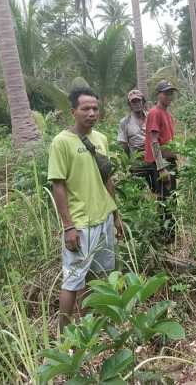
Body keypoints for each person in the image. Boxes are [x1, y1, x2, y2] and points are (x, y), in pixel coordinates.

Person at [48, 87, 123, 332]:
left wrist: (116, 215)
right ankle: (63, 337)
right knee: (72, 281)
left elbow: (107, 179)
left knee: (98, 276)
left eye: (95, 108)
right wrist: (68, 226)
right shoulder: (61, 142)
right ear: (73, 112)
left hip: (103, 220)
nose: (92, 113)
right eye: (85, 109)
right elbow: (58, 185)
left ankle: (89, 327)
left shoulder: (101, 139)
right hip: (80, 224)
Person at [144, 80, 178, 243]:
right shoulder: (155, 113)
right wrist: (161, 167)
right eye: (166, 93)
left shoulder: (167, 114)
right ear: (159, 95)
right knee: (164, 201)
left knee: (171, 199)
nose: (169, 96)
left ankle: (170, 237)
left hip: (169, 161)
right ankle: (164, 238)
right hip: (161, 164)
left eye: (171, 93)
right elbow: (154, 141)